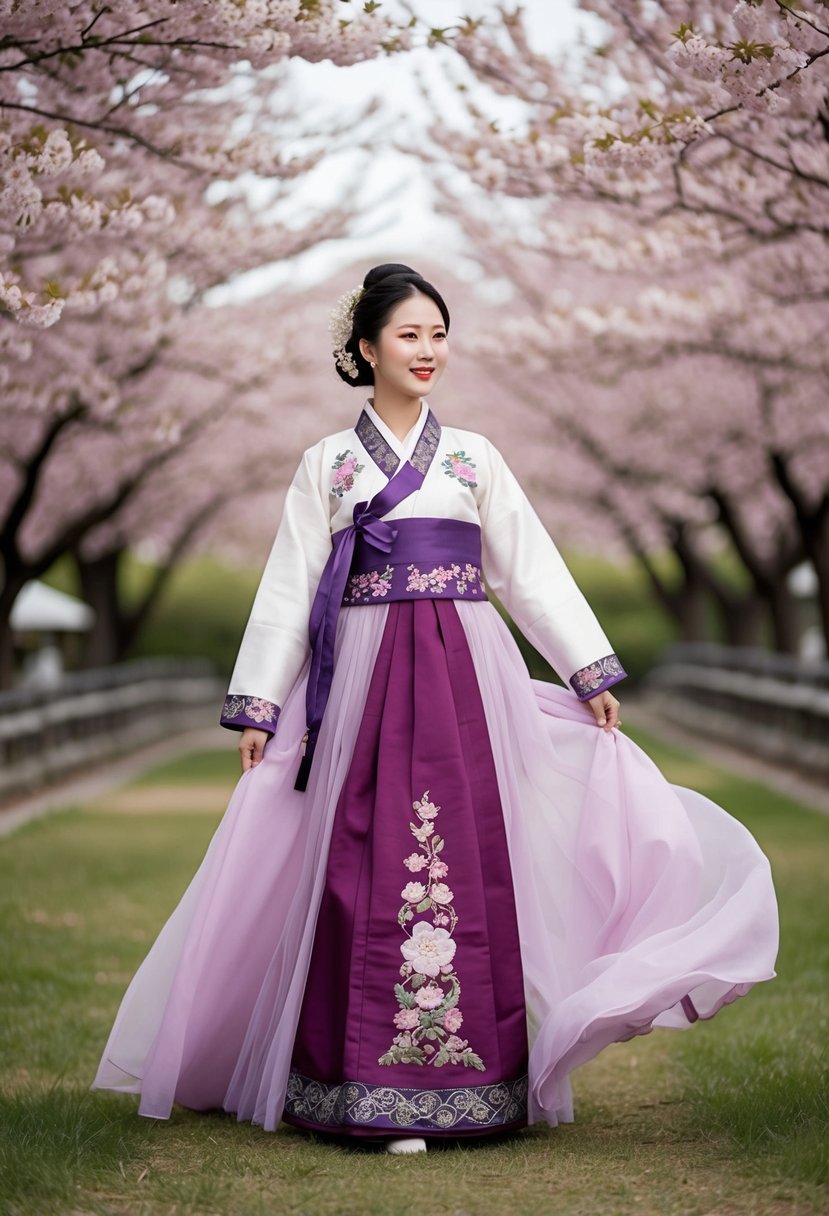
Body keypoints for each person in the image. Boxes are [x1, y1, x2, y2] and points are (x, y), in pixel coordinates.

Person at [91, 263, 779, 1155]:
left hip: (461, 676)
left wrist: (586, 670)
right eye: (409, 335)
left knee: (464, 853)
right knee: (358, 860)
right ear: (366, 348)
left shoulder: (474, 458)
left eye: (438, 334)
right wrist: (260, 702)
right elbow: (288, 587)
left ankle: (468, 1084)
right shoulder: (328, 464)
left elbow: (527, 571)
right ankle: (359, 1086)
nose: (427, 351)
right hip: (362, 680)